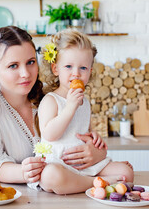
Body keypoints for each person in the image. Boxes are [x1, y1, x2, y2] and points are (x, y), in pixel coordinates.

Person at [0, 26, 107, 187]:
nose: (26, 73)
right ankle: (99, 183)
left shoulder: (51, 96)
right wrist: (23, 172)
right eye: (13, 65)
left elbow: (75, 135)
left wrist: (96, 152)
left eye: (31, 62)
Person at [37, 29, 134, 194]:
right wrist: (70, 107)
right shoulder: (51, 100)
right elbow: (49, 135)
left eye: (83, 67)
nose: (76, 73)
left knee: (126, 172)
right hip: (59, 163)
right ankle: (95, 183)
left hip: (84, 164)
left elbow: (81, 131)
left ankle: (89, 182)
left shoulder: (85, 101)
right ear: (55, 69)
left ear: (90, 71)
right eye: (68, 66)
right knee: (50, 176)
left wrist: (93, 136)